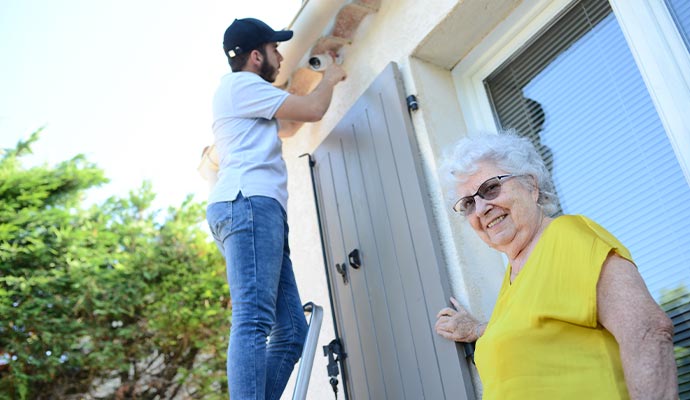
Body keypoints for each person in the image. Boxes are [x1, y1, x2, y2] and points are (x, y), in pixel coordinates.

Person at [434, 132, 678, 399]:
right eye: (469, 203)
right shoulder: (513, 279)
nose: (481, 208)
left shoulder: (567, 237)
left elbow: (646, 331)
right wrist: (477, 329)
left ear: (531, 186)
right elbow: (533, 329)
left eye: (490, 188)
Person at [205, 17, 346, 400]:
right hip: (248, 205)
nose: (281, 57)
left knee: (291, 331)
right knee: (253, 319)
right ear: (255, 56)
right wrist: (331, 77)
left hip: (255, 210)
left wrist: (316, 82)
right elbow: (313, 110)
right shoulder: (241, 85)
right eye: (274, 49)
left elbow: (290, 126)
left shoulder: (247, 96)